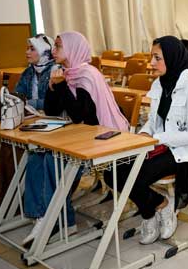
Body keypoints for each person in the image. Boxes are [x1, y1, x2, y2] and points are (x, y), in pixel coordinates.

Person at [22, 31, 129, 247]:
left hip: (104, 138)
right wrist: (53, 86)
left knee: (54, 160)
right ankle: (43, 216)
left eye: (58, 46)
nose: (54, 50)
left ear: (73, 48)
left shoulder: (87, 75)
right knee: (36, 157)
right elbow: (52, 110)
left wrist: (61, 85)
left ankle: (58, 220)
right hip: (83, 135)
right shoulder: (67, 73)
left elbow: (84, 117)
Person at [104, 36, 188, 244]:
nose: (151, 63)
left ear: (172, 57)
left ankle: (148, 213)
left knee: (134, 176)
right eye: (152, 57)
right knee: (112, 172)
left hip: (183, 150)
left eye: (157, 58)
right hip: (158, 145)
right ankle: (159, 205)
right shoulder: (159, 84)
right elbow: (152, 122)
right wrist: (144, 134)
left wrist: (156, 139)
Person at [0, 34, 55, 210]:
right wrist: (25, 103)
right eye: (27, 48)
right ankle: (6, 193)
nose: (27, 52)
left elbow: (52, 103)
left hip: (53, 121)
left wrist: (30, 103)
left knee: (16, 146)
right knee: (7, 142)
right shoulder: (28, 72)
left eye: (32, 49)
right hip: (31, 118)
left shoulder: (56, 71)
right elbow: (18, 96)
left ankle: (19, 197)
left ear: (44, 51)